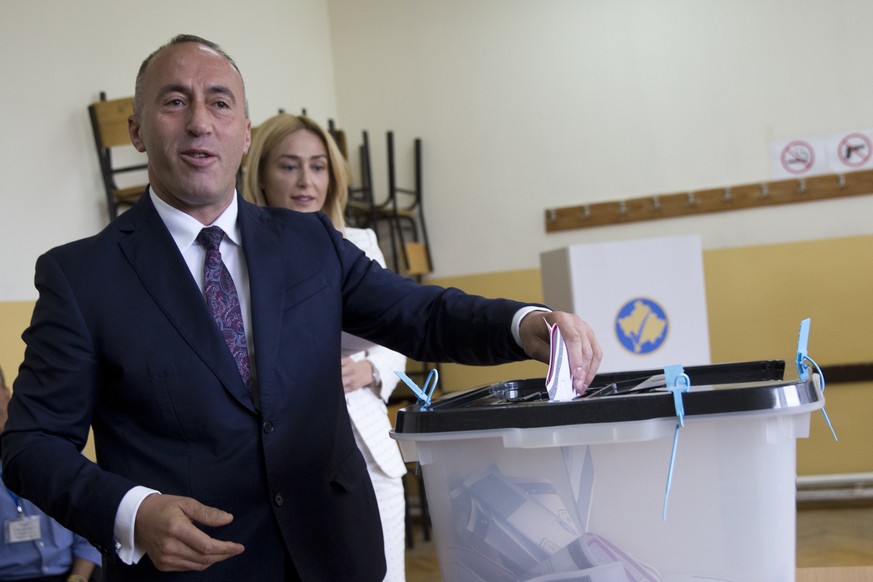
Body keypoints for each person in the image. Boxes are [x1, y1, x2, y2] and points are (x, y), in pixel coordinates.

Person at [0, 34, 601, 582]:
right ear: (136, 131)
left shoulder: (310, 241)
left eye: (219, 103)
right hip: (193, 572)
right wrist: (133, 512)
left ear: (244, 131)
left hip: (337, 553)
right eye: (175, 102)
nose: (200, 124)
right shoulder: (81, 276)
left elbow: (421, 313)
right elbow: (30, 445)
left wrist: (526, 323)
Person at [243, 113, 409, 581]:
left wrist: (372, 370)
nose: (305, 181)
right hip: (292, 454)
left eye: (317, 167)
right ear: (260, 174)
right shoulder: (238, 253)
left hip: (366, 438)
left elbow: (397, 328)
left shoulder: (359, 242)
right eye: (288, 166)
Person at [0, 366, 102, 582]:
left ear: (7, 394)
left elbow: (91, 523)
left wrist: (78, 577)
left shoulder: (58, 448)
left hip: (75, 574)